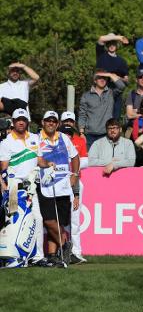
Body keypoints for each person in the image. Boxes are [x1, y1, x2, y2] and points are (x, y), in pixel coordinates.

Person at [0, 109, 53, 267]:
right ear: (13, 122)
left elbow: (39, 160)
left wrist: (48, 164)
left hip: (31, 187)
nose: (21, 122)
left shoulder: (35, 139)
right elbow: (2, 168)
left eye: (23, 119)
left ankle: (36, 256)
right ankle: (13, 256)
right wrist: (4, 188)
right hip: (14, 188)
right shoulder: (6, 142)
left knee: (37, 219)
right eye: (18, 120)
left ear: (27, 121)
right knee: (12, 221)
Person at [37, 111, 80, 266]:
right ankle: (65, 243)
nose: (51, 123)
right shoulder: (37, 138)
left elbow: (75, 157)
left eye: (54, 121)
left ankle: (52, 254)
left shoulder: (64, 138)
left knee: (59, 221)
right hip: (45, 185)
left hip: (63, 186)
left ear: (57, 123)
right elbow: (38, 158)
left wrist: (74, 174)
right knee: (49, 220)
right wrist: (45, 164)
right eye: (48, 120)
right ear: (43, 122)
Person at [59, 111, 88, 264]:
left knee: (75, 219)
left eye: (71, 122)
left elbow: (84, 162)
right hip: (59, 183)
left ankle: (76, 251)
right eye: (66, 122)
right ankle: (62, 251)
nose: (68, 124)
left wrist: (71, 166)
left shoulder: (80, 141)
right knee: (61, 219)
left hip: (75, 182)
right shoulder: (56, 141)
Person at [78, 70, 126, 149]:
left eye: (104, 78)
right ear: (95, 80)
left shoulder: (111, 93)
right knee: (91, 160)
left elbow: (122, 86)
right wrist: (81, 133)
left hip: (106, 134)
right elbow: (82, 114)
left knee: (106, 160)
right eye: (99, 78)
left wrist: (110, 74)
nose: (102, 80)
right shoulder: (86, 96)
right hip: (90, 136)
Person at [96, 33, 130, 119]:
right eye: (109, 43)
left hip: (116, 93)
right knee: (101, 118)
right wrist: (119, 37)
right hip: (102, 92)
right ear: (106, 45)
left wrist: (116, 77)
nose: (112, 45)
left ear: (117, 45)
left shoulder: (122, 61)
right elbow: (101, 38)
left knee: (115, 120)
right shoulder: (101, 55)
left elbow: (126, 80)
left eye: (114, 43)